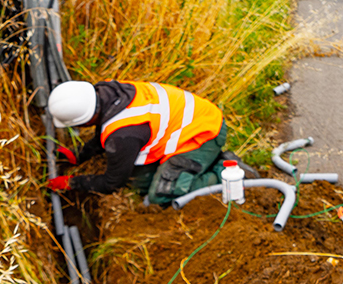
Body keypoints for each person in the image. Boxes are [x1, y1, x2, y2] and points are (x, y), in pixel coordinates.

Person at [44, 80, 248, 207]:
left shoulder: (123, 138)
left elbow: (112, 183)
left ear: (86, 119)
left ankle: (225, 171)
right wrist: (78, 154)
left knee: (161, 195)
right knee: (139, 185)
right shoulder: (107, 92)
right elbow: (105, 127)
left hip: (202, 132)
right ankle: (202, 164)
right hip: (185, 122)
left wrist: (72, 183)